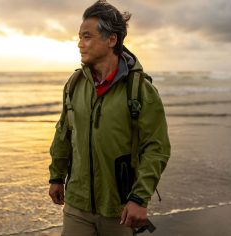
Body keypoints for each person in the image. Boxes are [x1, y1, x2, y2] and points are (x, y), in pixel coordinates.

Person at [48, 1, 171, 235]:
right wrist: (56, 175)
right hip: (76, 203)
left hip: (120, 209)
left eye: (87, 37)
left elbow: (156, 148)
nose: (79, 44)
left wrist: (139, 198)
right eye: (79, 37)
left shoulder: (140, 91)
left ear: (111, 40)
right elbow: (64, 131)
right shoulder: (74, 85)